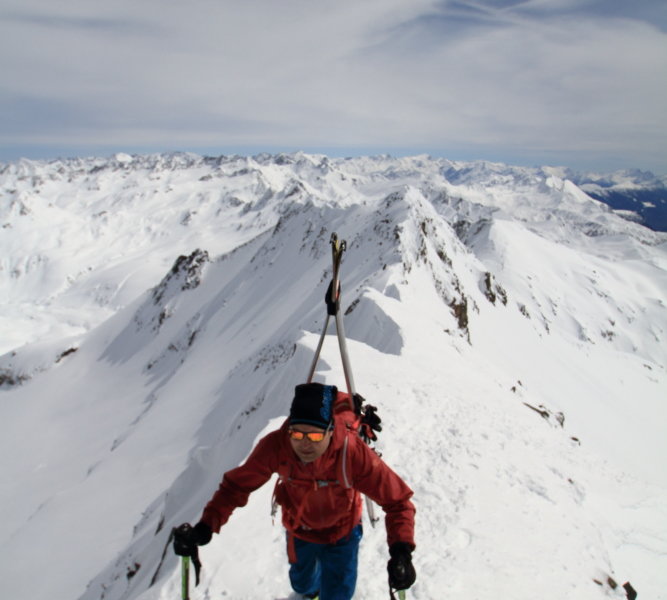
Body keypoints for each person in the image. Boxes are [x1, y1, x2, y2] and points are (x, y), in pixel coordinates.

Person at [173, 382, 416, 600]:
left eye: (314, 434)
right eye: (297, 433)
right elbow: (237, 486)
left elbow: (398, 501)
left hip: (343, 532)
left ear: (330, 431)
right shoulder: (277, 446)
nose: (305, 443)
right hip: (300, 530)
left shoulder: (351, 453)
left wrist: (401, 550)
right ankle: (311, 593)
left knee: (339, 594)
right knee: (302, 584)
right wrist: (205, 526)